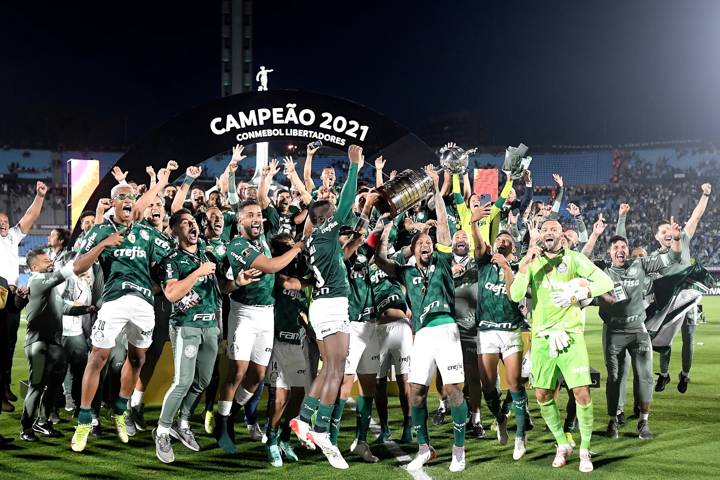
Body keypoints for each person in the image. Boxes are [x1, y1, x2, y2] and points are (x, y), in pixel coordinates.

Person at [70, 168, 174, 452]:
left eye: (132, 197)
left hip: (143, 304)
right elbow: (78, 267)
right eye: (123, 196)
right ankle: (83, 420)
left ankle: (119, 409)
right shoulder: (101, 231)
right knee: (98, 358)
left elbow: (171, 259)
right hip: (113, 302)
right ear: (114, 203)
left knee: (138, 359)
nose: (129, 200)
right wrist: (104, 244)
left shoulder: (147, 233)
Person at [375, 165, 468, 473]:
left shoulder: (442, 261)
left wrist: (434, 187)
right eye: (421, 243)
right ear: (413, 251)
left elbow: (442, 224)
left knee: (455, 390)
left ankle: (458, 450)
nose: (427, 244)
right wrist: (387, 226)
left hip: (446, 329)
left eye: (429, 242)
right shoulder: (405, 271)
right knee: (414, 392)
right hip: (422, 335)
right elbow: (380, 258)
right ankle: (425, 449)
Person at [509, 219, 613, 473]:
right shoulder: (532, 261)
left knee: (581, 393)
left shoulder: (575, 259)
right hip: (543, 338)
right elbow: (515, 294)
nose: (549, 233)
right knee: (542, 394)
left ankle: (585, 450)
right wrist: (525, 264)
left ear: (561, 235)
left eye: (554, 229)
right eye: (544, 230)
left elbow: (606, 283)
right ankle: (561, 444)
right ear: (540, 236)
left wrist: (578, 294)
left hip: (570, 336)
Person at [289, 144, 362, 470]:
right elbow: (346, 203)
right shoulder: (326, 228)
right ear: (324, 219)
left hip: (323, 304)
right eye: (331, 214)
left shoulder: (313, 243)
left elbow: (320, 268)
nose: (337, 215)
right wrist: (355, 167)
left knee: (328, 368)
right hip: (331, 305)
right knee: (337, 368)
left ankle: (304, 421)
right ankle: (321, 431)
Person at [214, 199, 304, 454]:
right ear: (239, 220)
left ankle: (230, 413)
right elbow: (272, 266)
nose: (256, 218)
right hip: (243, 313)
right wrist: (298, 247)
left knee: (258, 376)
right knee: (238, 371)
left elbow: (265, 203)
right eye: (250, 215)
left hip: (267, 314)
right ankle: (222, 424)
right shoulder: (237, 245)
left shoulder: (262, 235)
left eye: (258, 215)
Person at [152, 210, 222, 463]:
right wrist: (197, 273)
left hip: (211, 325)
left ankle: (182, 424)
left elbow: (216, 231)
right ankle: (161, 430)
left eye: (193, 222)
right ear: (175, 230)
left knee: (202, 381)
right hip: (186, 326)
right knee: (183, 381)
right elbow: (171, 294)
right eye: (185, 223)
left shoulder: (205, 250)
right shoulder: (172, 259)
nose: (192, 225)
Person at [598, 229, 681, 441]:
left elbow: (672, 257)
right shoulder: (602, 271)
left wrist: (677, 239)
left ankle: (643, 421)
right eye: (615, 247)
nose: (620, 250)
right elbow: (580, 257)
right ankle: (614, 419)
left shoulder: (640, 264)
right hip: (614, 331)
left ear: (628, 250)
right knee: (615, 378)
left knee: (645, 376)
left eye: (623, 247)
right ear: (609, 253)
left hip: (637, 329)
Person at [471, 226, 530, 460]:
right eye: (500, 239)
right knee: (487, 387)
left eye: (507, 240)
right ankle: (500, 418)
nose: (503, 242)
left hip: (510, 330)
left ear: (513, 249)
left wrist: (506, 267)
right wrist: (474, 224)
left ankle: (520, 436)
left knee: (515, 384)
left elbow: (511, 294)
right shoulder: (483, 266)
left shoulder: (517, 269)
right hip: (486, 330)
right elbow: (478, 244)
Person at [647, 184, 712, 393]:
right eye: (663, 231)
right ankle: (664, 375)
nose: (668, 233)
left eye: (670, 230)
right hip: (667, 304)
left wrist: (705, 195)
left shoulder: (682, 238)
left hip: (687, 299)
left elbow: (696, 217)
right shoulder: (654, 258)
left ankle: (684, 375)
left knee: (689, 340)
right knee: (664, 340)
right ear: (656, 237)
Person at [264, 233, 311, 467]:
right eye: (289, 246)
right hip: (276, 342)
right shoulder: (273, 272)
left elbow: (300, 304)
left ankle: (283, 438)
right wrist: (312, 281)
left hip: (295, 343)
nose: (295, 249)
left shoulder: (297, 275)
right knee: (280, 398)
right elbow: (288, 284)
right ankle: (271, 440)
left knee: (299, 394)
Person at [20, 249, 76, 441]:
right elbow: (66, 272)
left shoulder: (50, 286)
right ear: (34, 267)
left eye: (50, 259)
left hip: (54, 343)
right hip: (38, 342)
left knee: (54, 385)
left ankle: (43, 422)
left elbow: (64, 307)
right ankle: (26, 428)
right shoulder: (36, 280)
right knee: (36, 385)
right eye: (45, 261)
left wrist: (86, 308)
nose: (50, 262)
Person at [0, 181, 47, 407]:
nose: (3, 224)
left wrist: (39, 196)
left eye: (6, 222)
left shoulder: (11, 237)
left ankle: (5, 386)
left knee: (9, 342)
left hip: (10, 295)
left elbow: (30, 216)